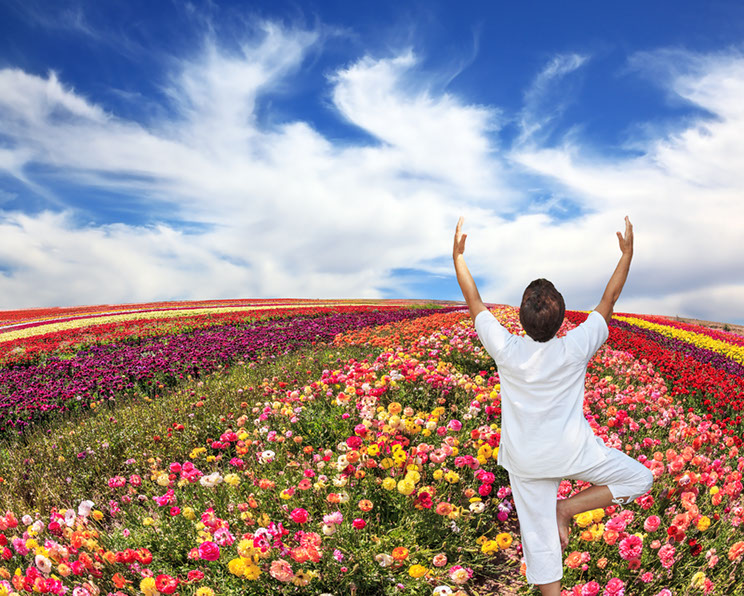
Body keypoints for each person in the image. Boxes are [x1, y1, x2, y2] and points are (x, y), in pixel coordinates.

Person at [452, 216, 653, 596]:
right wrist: (627, 254)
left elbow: (474, 300)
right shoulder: (576, 346)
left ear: (521, 319)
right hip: (573, 453)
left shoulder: (507, 349)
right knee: (640, 479)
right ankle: (567, 509)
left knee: (540, 540)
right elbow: (608, 300)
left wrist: (458, 257)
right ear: (562, 320)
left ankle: (554, 520)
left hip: (526, 460)